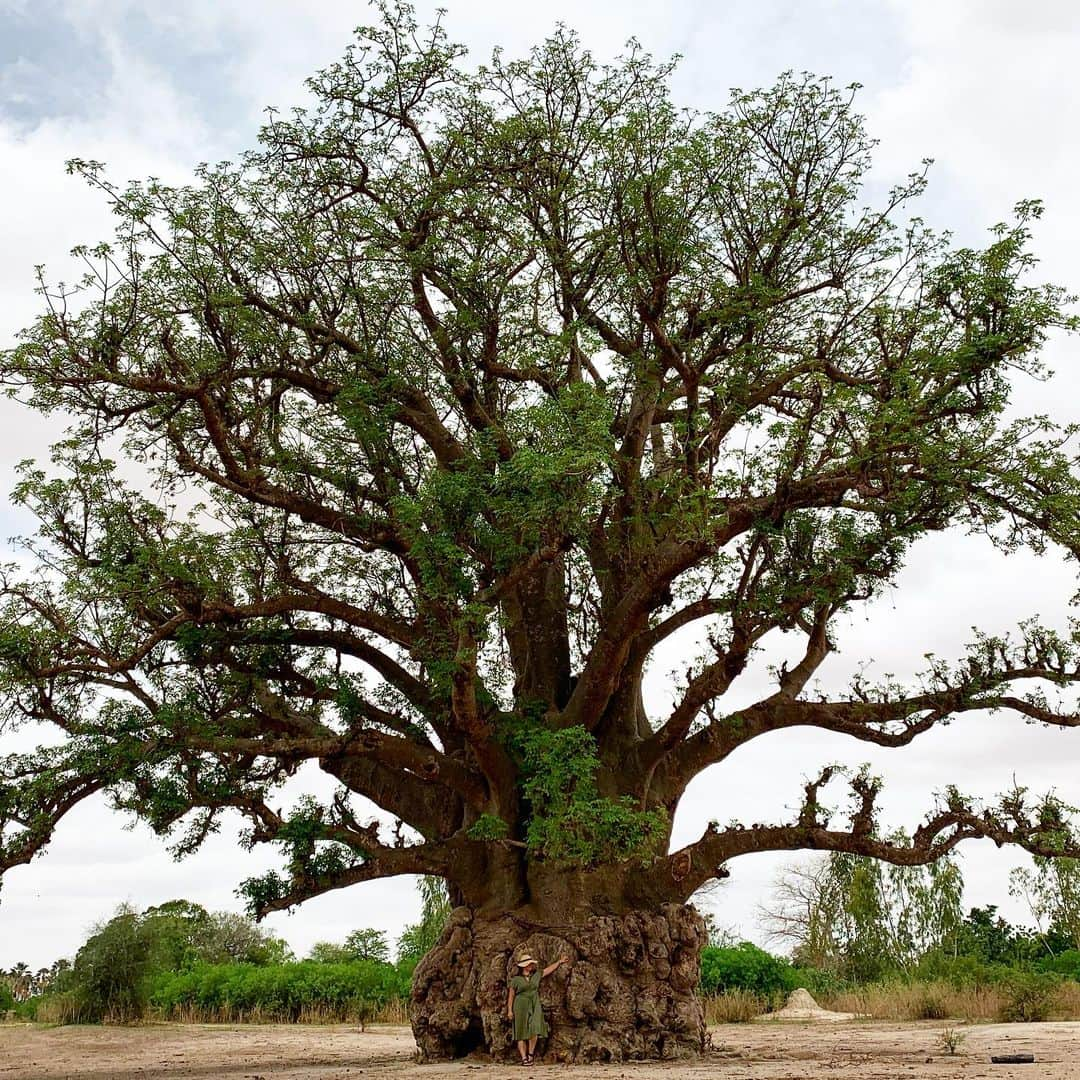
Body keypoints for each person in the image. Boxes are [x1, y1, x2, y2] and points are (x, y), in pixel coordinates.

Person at [506, 952, 569, 1064]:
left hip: (534, 1004)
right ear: (524, 966)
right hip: (520, 1005)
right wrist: (510, 1010)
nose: (531, 966)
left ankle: (530, 1054)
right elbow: (511, 996)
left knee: (535, 1028)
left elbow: (548, 970)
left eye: (531, 964)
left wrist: (559, 962)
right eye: (529, 964)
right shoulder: (516, 980)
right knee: (520, 1032)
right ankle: (524, 1058)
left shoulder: (536, 975)